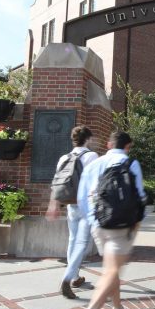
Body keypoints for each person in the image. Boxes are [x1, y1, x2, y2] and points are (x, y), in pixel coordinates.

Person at [75, 131, 147, 309]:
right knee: (112, 270)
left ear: (108, 144)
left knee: (110, 270)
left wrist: (93, 218)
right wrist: (137, 220)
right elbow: (140, 195)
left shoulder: (95, 164)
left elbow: (82, 198)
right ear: (128, 146)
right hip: (122, 226)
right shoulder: (130, 163)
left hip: (99, 223)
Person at [46, 125, 99, 299]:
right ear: (88, 139)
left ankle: (75, 276)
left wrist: (53, 205)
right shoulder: (91, 156)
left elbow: (56, 182)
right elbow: (95, 183)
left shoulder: (64, 158)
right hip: (85, 205)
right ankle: (67, 279)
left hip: (70, 204)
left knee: (73, 240)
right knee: (81, 243)